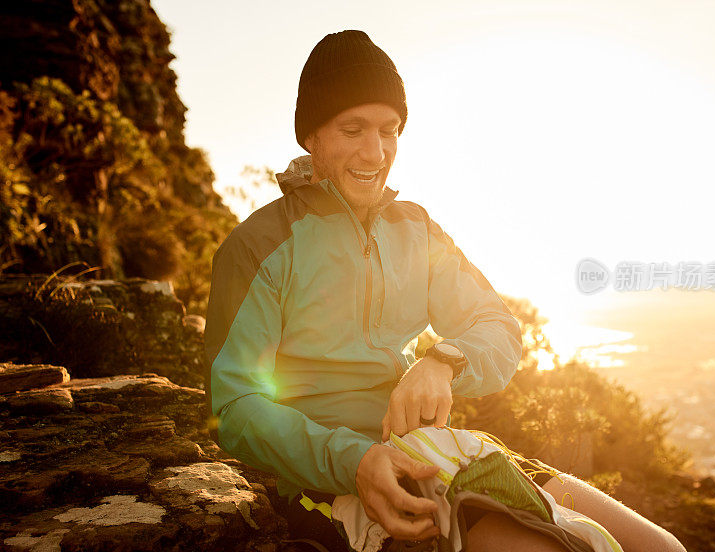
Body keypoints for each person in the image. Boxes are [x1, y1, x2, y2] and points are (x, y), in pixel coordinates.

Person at [204, 30, 686, 552]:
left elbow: (498, 327)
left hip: (442, 453)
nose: (375, 151)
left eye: (389, 130)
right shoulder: (259, 246)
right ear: (311, 137)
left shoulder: (417, 229)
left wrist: (444, 360)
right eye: (352, 129)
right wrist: (354, 459)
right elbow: (235, 405)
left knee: (661, 548)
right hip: (337, 479)